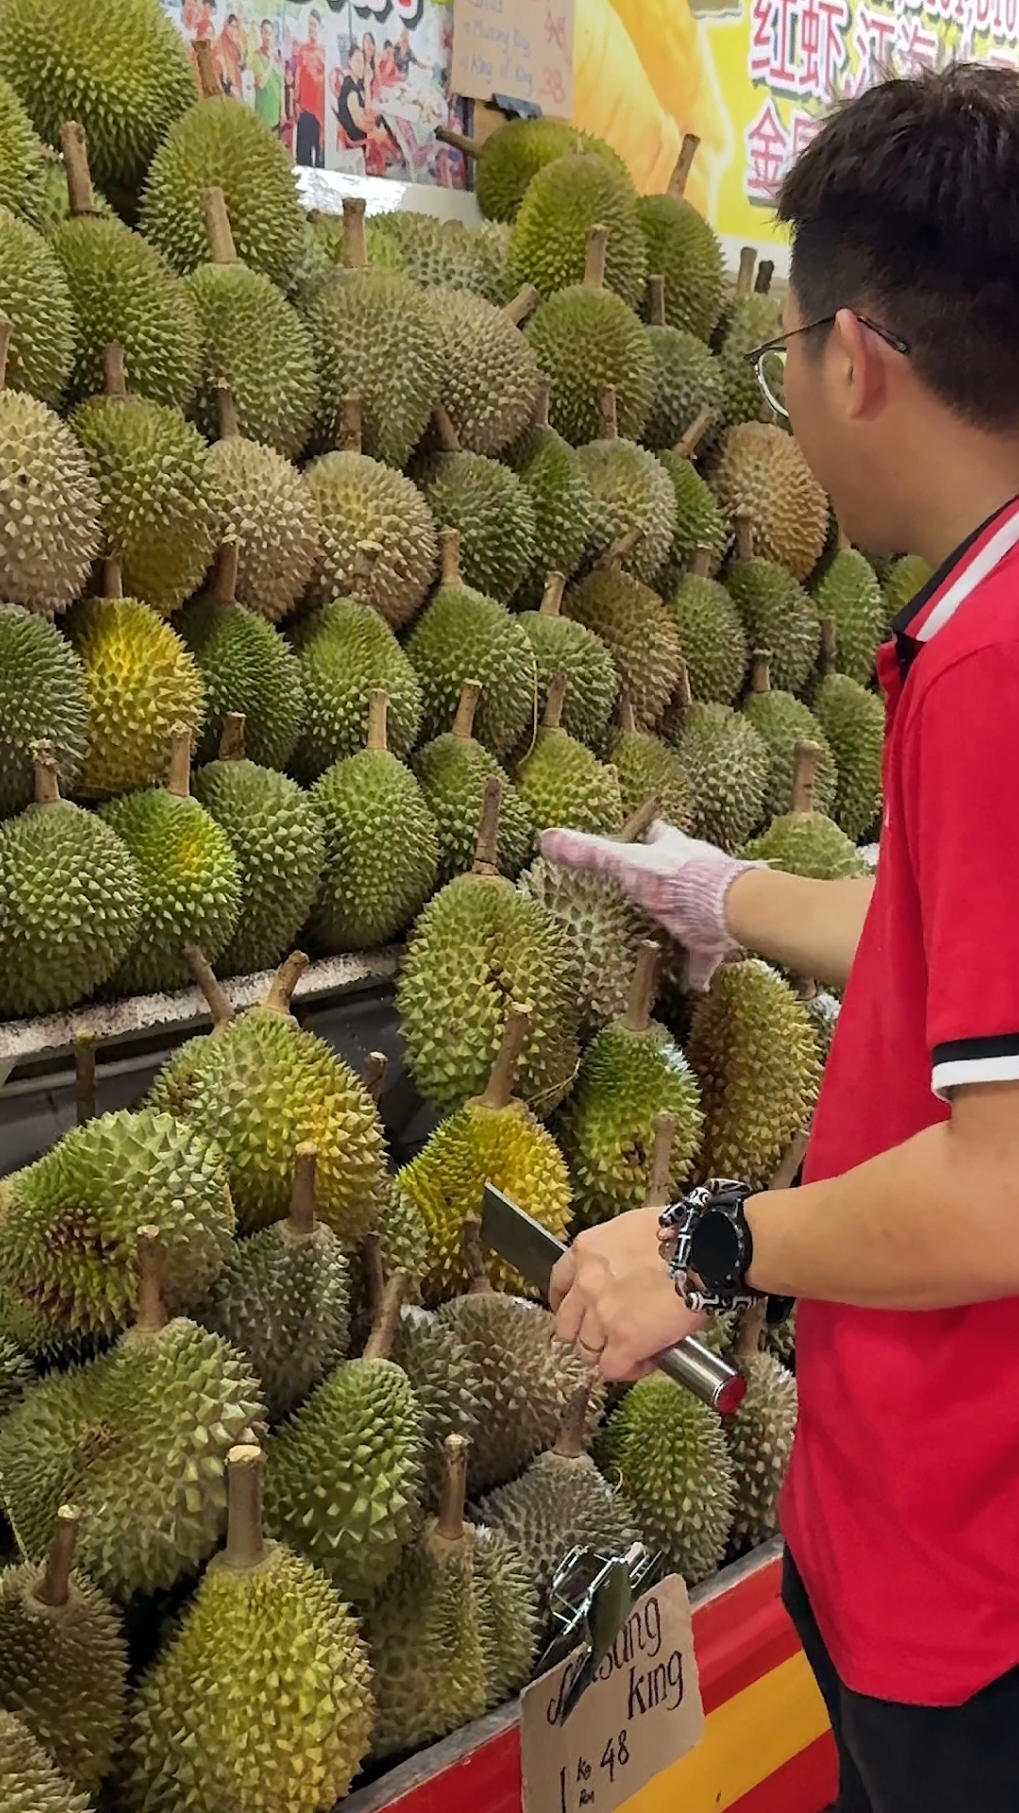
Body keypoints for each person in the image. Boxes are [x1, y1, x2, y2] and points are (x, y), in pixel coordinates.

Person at [545, 64, 1019, 1813]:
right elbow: (946, 947)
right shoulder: (980, 623)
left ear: (856, 363)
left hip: (966, 1558)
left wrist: (710, 1236)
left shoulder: (986, 674)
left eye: (785, 359)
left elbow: (1000, 1187)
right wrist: (721, 891)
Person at [293, 9, 325, 167]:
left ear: (319, 27)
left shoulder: (324, 51)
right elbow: (298, 75)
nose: (311, 28)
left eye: (314, 24)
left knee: (320, 156)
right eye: (309, 24)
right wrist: (296, 101)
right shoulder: (302, 50)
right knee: (303, 155)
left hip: (320, 114)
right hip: (305, 109)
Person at [251, 18, 283, 134]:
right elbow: (261, 83)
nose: (268, 37)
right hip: (263, 116)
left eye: (270, 33)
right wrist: (270, 63)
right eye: (265, 33)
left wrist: (283, 111)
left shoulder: (278, 56)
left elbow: (281, 85)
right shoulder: (257, 56)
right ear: (261, 34)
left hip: (276, 115)